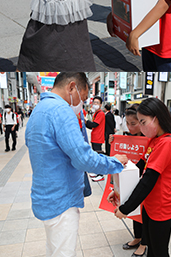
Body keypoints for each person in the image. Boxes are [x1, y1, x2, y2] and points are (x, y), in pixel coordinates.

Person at [26, 72, 128, 257]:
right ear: (71, 87)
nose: (83, 103)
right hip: (61, 199)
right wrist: (115, 162)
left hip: (46, 196)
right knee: (63, 252)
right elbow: (84, 158)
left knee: (54, 249)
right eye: (83, 97)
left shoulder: (39, 109)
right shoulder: (61, 111)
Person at [110, 98, 171, 257]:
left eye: (143, 122)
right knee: (151, 249)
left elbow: (148, 180)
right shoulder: (154, 141)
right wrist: (118, 191)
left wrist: (126, 208)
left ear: (156, 118)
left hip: (162, 208)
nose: (141, 127)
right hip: (149, 206)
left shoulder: (167, 143)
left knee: (159, 252)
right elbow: (139, 170)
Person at [112, 105, 148, 257]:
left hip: (147, 182)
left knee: (145, 213)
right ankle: (138, 237)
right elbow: (140, 162)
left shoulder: (156, 141)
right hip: (133, 177)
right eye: (128, 123)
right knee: (135, 210)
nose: (130, 126)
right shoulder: (127, 136)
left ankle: (145, 243)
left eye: (134, 123)